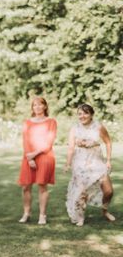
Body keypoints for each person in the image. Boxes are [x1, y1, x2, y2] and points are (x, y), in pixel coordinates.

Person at [65, 103, 115, 226]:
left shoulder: (99, 127)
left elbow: (108, 142)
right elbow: (71, 147)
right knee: (82, 192)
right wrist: (68, 163)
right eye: (80, 114)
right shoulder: (74, 128)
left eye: (85, 113)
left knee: (108, 191)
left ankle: (104, 210)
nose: (82, 116)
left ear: (91, 114)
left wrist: (108, 160)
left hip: (97, 162)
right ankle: (80, 217)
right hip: (80, 163)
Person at [18, 97, 57, 225]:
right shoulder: (27, 122)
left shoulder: (51, 122)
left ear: (45, 106)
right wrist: (29, 158)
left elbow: (49, 142)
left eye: (40, 105)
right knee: (25, 186)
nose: (37, 107)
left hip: (45, 156)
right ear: (32, 108)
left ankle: (42, 215)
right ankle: (26, 213)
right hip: (28, 156)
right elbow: (25, 141)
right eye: (35, 105)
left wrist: (34, 154)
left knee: (42, 186)